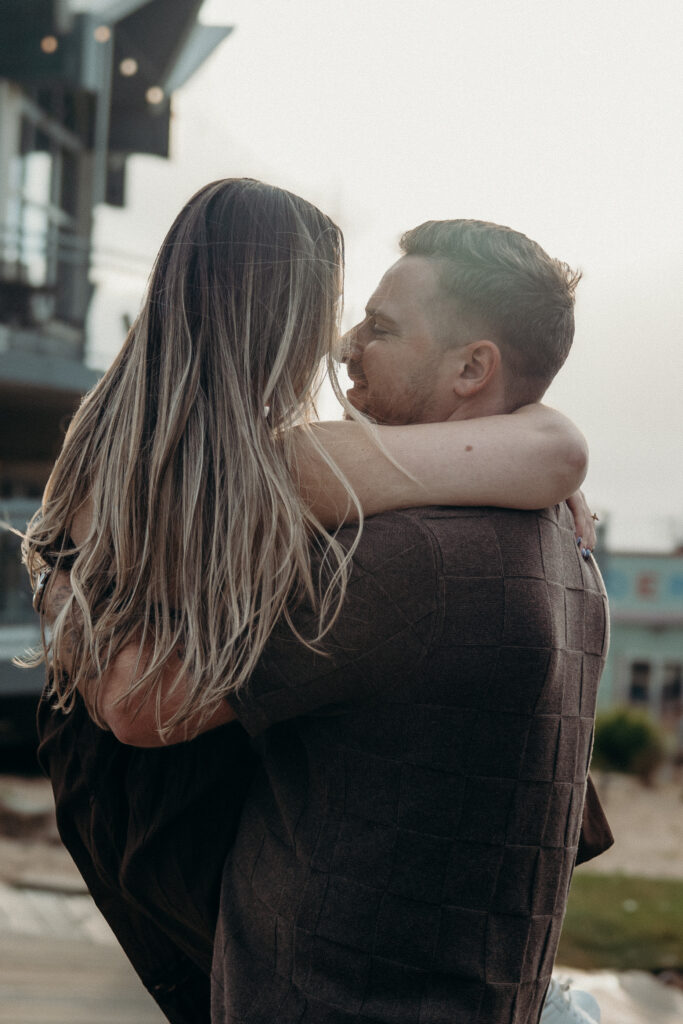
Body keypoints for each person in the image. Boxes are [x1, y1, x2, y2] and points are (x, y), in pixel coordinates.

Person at [26, 183, 603, 1024]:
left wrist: (56, 583)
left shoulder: (397, 549)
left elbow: (138, 699)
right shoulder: (549, 536)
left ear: (472, 366)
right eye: (340, 315)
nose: (342, 347)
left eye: (377, 326)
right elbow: (555, 447)